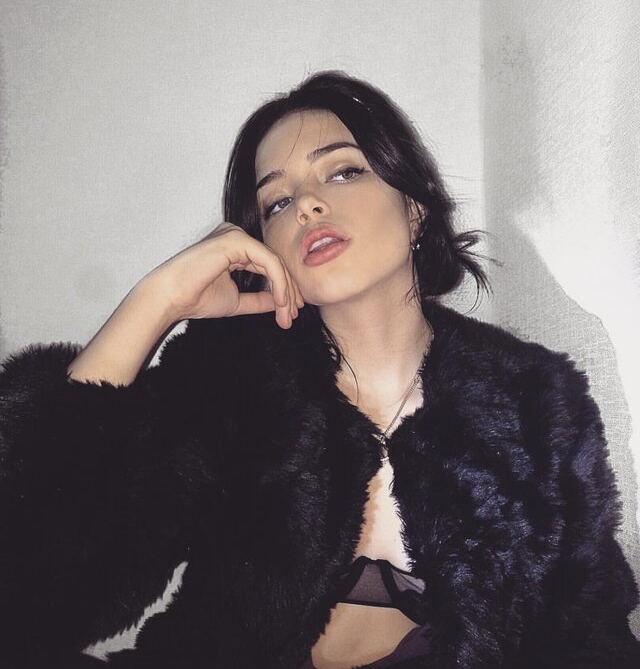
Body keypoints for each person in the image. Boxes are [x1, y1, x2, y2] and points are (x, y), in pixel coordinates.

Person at [0, 71, 638, 669]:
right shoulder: (231, 377)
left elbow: (588, 633)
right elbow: (32, 591)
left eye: (343, 171)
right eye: (276, 202)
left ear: (414, 209)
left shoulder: (532, 399)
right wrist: (155, 303)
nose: (306, 204)